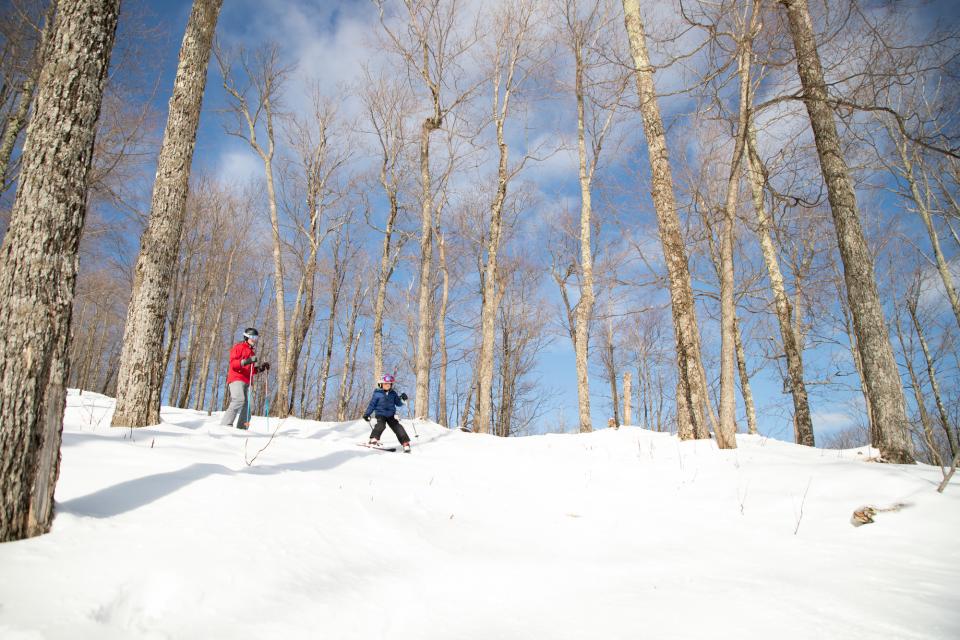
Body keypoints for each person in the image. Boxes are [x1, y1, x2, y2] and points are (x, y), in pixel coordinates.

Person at [221, 327, 270, 429]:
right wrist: (246, 361)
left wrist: (261, 368)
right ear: (246, 337)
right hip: (237, 378)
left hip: (248, 381)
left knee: (250, 405)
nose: (254, 339)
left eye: (256, 337)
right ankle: (225, 425)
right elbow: (233, 364)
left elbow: (253, 370)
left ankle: (242, 428)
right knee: (239, 399)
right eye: (252, 337)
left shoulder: (252, 353)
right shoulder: (239, 347)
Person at [363, 374, 411, 452]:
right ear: (381, 384)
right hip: (380, 414)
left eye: (389, 384)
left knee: (398, 427)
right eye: (386, 383)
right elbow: (372, 405)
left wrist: (402, 399)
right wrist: (367, 414)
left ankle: (405, 443)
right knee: (381, 425)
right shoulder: (377, 393)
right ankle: (373, 439)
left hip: (391, 415)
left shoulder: (393, 393)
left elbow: (398, 403)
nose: (388, 385)